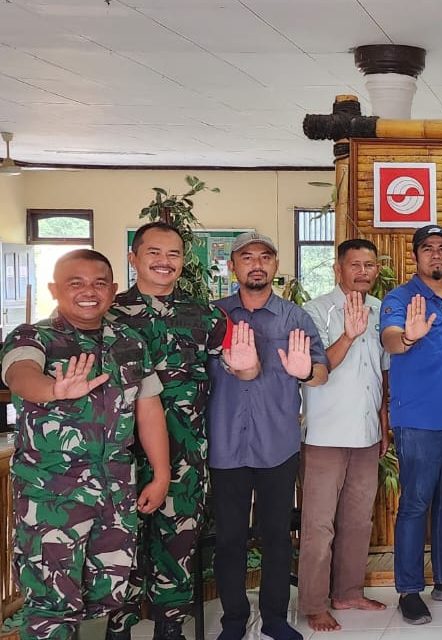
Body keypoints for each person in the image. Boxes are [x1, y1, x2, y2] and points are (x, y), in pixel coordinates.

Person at [1, 249, 170, 640]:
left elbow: (149, 411)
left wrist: (161, 474)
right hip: (51, 497)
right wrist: (53, 389)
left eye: (98, 283)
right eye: (75, 283)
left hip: (114, 491)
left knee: (108, 593)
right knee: (51, 601)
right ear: (55, 289)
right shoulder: (34, 336)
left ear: (112, 290)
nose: (88, 292)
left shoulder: (129, 342)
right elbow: (20, 373)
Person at [105, 222, 227, 640]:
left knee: (178, 547)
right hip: (120, 457)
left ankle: (170, 627)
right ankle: (118, 625)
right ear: (133, 257)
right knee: (120, 546)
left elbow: (229, 374)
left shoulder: (205, 315)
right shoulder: (108, 315)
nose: (164, 262)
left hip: (185, 456)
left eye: (174, 254)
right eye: (154, 253)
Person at [209, 232, 329, 640]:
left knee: (277, 536)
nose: (256, 264)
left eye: (265, 257)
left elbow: (321, 371)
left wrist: (304, 372)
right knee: (229, 539)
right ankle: (234, 620)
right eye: (247, 257)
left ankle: (276, 618)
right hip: (225, 446)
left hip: (278, 445)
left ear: (276, 267)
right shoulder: (215, 317)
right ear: (233, 266)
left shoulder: (295, 318)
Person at [380, 224, 442, 625]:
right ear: (416, 256)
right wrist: (407, 336)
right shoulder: (400, 298)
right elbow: (389, 338)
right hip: (421, 420)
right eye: (427, 249)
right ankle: (408, 589)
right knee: (415, 503)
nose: (435, 255)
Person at [298, 239, 390, 632]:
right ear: (338, 269)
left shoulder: (381, 311)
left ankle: (348, 591)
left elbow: (382, 374)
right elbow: (316, 369)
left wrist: (383, 426)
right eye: (355, 265)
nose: (364, 272)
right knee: (319, 526)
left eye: (370, 265)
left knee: (357, 520)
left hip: (367, 434)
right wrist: (349, 335)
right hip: (324, 434)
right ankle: (314, 603)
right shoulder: (314, 311)